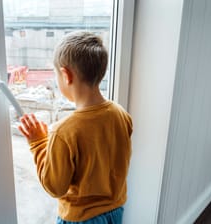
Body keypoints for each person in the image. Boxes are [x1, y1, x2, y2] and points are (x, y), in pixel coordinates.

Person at [18, 31, 133, 224]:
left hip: (80, 219)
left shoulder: (64, 131)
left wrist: (38, 143)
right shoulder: (120, 113)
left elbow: (55, 187)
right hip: (115, 212)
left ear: (66, 75)